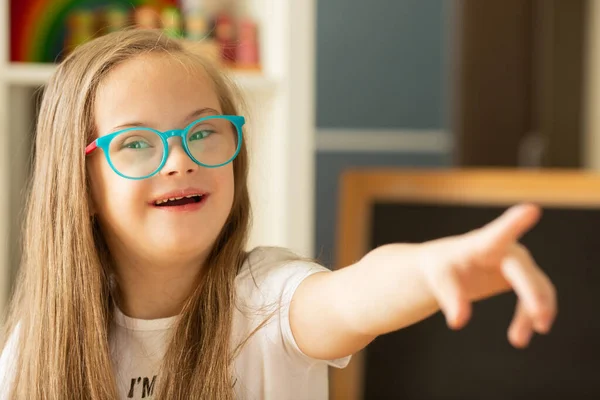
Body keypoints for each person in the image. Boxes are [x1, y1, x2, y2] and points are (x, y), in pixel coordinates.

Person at [0, 29, 556, 400]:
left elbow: (350, 297)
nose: (179, 161)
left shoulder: (266, 300)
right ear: (79, 183)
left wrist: (429, 267)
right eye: (137, 143)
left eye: (203, 132)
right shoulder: (35, 344)